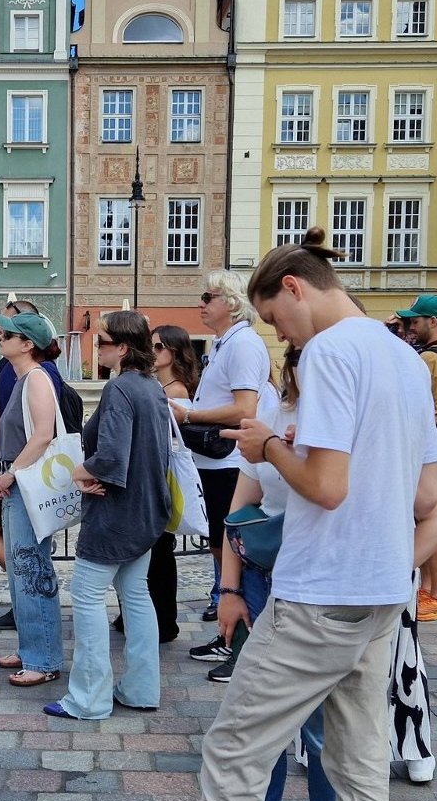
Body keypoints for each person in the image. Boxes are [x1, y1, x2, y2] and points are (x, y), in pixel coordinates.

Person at [196, 229, 437, 801]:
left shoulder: (331, 352)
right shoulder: (403, 358)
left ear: (294, 288)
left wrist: (266, 448)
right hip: (379, 595)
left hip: (319, 594)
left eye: (276, 319)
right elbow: (428, 495)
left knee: (232, 753)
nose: (283, 337)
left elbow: (327, 488)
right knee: (361, 766)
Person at [213, 344, 341, 801]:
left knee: (319, 727)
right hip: (265, 582)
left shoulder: (344, 422)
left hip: (323, 586)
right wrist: (229, 590)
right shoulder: (270, 419)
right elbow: (239, 512)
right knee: (261, 719)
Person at [45, 311, 169, 720]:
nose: (97, 348)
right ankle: (140, 688)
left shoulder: (121, 389)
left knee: (86, 598)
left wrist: (82, 472)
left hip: (116, 513)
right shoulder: (152, 387)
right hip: (147, 509)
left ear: (123, 347)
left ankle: (89, 698)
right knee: (136, 597)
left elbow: (112, 456)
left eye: (102, 342)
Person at [174, 270, 274, 664]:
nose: (201, 303)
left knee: (234, 550)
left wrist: (190, 415)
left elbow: (244, 409)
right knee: (221, 548)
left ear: (231, 303)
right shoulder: (224, 344)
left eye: (208, 296)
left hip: (230, 462)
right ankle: (230, 637)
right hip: (215, 463)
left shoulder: (243, 344)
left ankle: (241, 644)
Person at [0, 310, 66, 687]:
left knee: (31, 568)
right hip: (19, 482)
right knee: (22, 569)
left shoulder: (36, 378)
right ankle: (31, 646)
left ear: (27, 344)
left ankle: (44, 657)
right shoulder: (22, 378)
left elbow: (42, 435)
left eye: (8, 334)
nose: (0, 337)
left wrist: (10, 472)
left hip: (26, 483)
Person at [117, 324, 200, 644]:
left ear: (175, 352)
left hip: (162, 476)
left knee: (160, 551)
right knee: (152, 549)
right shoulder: (156, 386)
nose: (153, 352)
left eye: (159, 347)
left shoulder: (175, 391)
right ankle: (144, 615)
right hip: (155, 474)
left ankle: (164, 621)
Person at [396, 295, 437, 621]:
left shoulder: (432, 359)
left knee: (430, 515)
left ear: (433, 322)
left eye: (415, 321)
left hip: (432, 446)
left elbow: (429, 408)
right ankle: (431, 588)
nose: (411, 327)